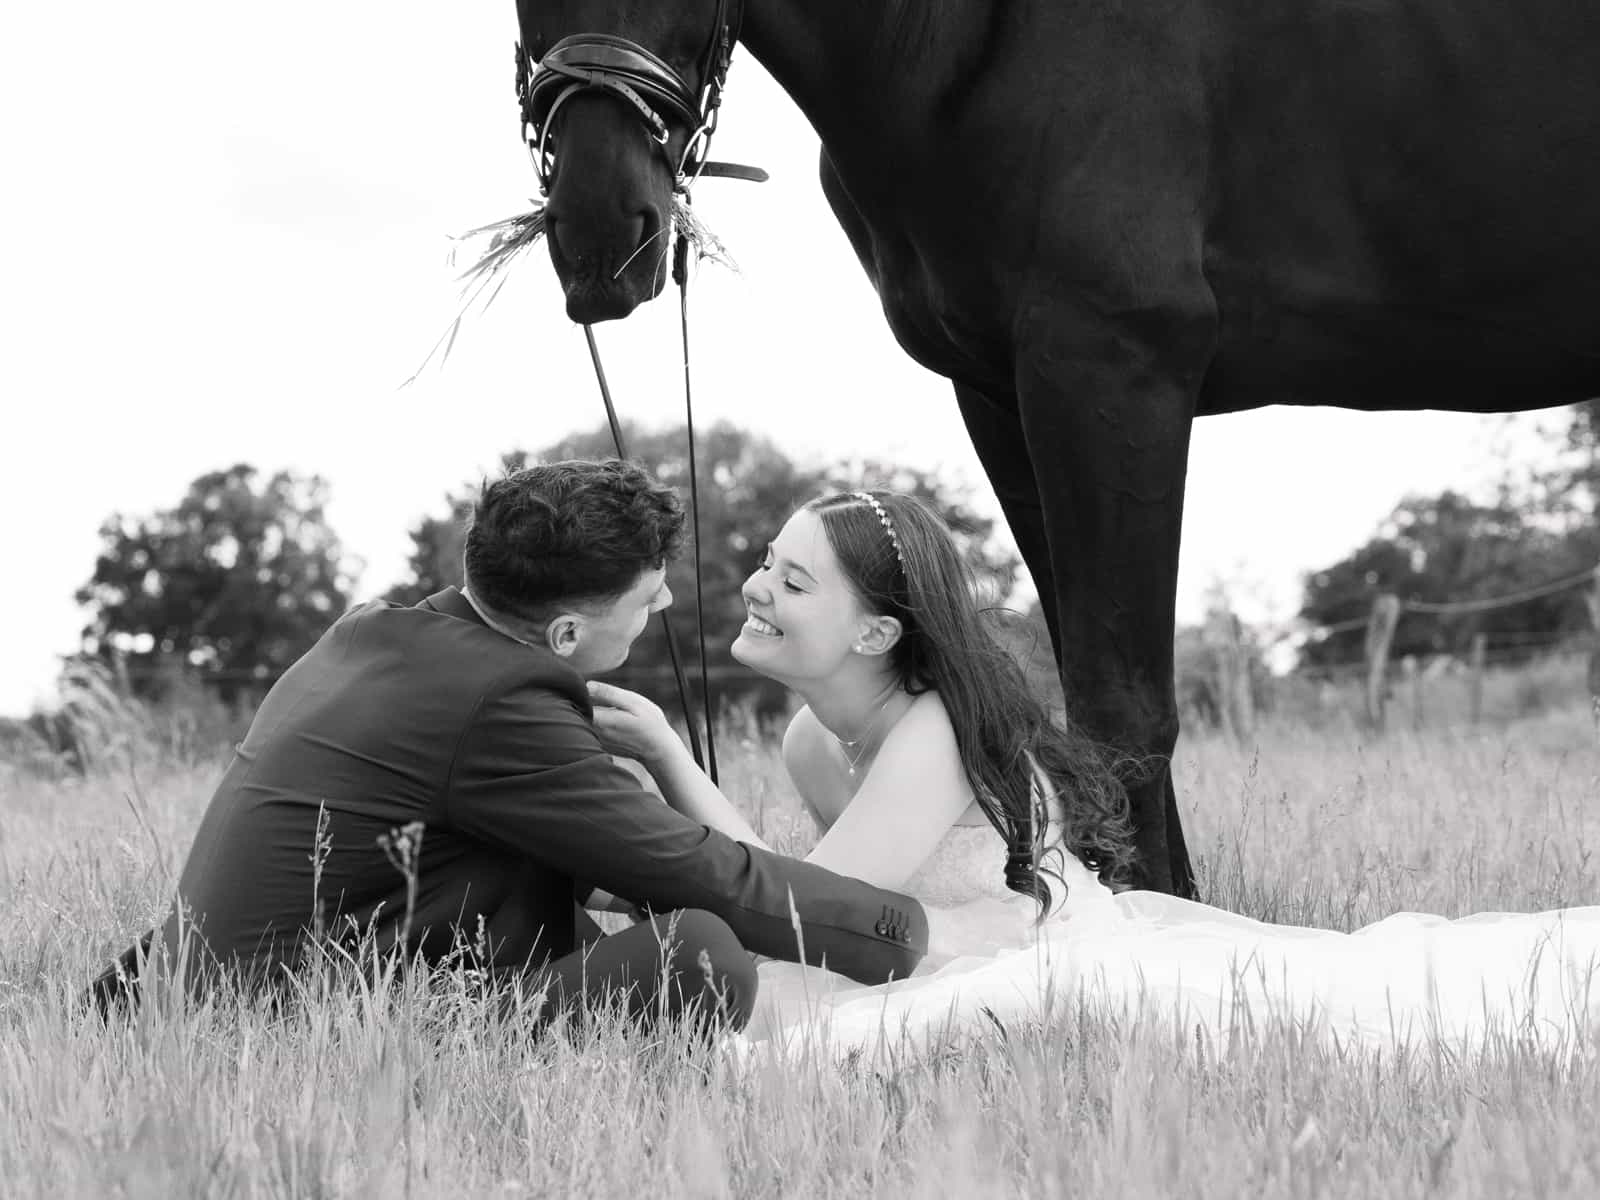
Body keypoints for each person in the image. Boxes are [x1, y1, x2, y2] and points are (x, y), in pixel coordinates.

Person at [588, 489, 1600, 1057]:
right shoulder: (813, 738)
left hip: (1036, 964)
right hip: (918, 956)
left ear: (876, 633)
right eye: (769, 561)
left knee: (1380, 1022)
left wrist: (671, 759)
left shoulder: (934, 733)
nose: (755, 587)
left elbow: (805, 908)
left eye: (793, 579)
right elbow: (825, 914)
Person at [86, 462, 931, 1036]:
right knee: (699, 953)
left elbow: (551, 853)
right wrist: (901, 933)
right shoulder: (499, 700)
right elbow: (694, 869)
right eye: (647, 599)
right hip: (292, 1029)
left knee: (589, 893)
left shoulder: (378, 634)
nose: (667, 603)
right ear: (565, 633)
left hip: (246, 983)